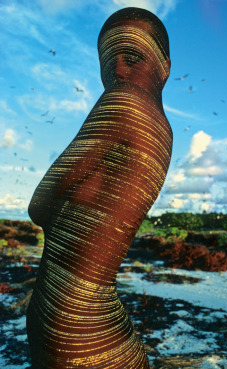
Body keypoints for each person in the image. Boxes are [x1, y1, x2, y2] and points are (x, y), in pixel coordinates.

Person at [26, 7, 172, 369]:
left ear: (164, 65)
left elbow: (38, 204)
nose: (118, 70)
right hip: (93, 323)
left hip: (78, 328)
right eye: (109, 64)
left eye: (132, 57)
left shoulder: (124, 103)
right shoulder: (163, 131)